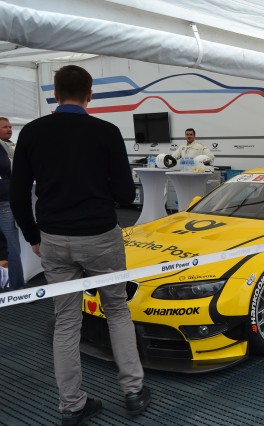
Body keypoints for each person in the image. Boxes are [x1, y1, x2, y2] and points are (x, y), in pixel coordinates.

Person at [10, 65, 151, 425]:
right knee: (116, 310)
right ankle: (133, 391)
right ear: (90, 95)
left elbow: (17, 195)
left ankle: (72, 405)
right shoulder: (106, 132)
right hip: (101, 237)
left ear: (55, 95)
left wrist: (33, 236)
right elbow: (125, 193)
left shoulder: (32, 133)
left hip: (54, 239)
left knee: (66, 321)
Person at [0, 117, 25, 291]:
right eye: (4, 127)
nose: (9, 129)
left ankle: (17, 288)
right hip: (4, 201)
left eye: (10, 126)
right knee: (12, 245)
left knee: (12, 246)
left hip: (6, 202)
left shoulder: (11, 146)